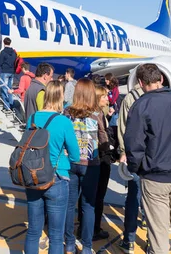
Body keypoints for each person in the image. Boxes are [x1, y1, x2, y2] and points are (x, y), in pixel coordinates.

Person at [124, 64, 171, 254]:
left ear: (140, 83)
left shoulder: (141, 105)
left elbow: (133, 143)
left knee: (158, 235)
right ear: (161, 79)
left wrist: (136, 167)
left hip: (154, 176)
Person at [24, 80, 80, 254]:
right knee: (56, 235)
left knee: (33, 231)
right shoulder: (63, 122)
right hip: (56, 177)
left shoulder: (32, 118)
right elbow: (75, 155)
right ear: (60, 97)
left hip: (34, 176)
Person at [64, 78, 102, 254]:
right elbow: (103, 139)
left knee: (69, 204)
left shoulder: (67, 113)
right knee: (88, 206)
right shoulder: (96, 114)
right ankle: (87, 246)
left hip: (71, 162)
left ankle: (70, 243)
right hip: (91, 164)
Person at [116, 68, 145, 254]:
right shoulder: (161, 97)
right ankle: (152, 242)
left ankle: (129, 240)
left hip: (134, 155)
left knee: (133, 198)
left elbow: (122, 127)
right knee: (154, 200)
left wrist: (123, 151)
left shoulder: (130, 98)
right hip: (155, 158)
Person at [91, 85, 113, 240]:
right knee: (99, 195)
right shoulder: (97, 115)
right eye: (104, 96)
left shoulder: (96, 113)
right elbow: (102, 138)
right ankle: (95, 228)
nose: (107, 99)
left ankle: (88, 225)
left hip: (94, 157)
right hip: (100, 157)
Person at [0, 37, 18, 110]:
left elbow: (0, 63)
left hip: (5, 72)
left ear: (4, 43)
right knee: (10, 89)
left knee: (4, 89)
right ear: (10, 43)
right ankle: (11, 104)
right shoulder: (14, 52)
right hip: (12, 72)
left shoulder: (3, 52)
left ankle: (6, 106)